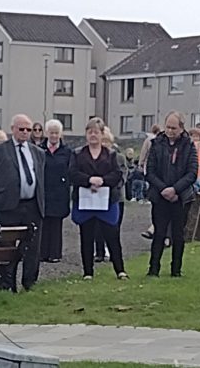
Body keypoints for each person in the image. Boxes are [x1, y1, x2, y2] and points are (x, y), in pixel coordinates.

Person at [0, 114, 45, 291]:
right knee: (7, 246)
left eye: (28, 129)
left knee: (33, 247)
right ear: (13, 129)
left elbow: (40, 178)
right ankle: (5, 284)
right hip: (9, 206)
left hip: (32, 205)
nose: (25, 132)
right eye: (22, 129)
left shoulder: (38, 152)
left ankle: (30, 283)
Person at [69, 118, 127, 280]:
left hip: (107, 200)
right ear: (86, 135)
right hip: (85, 199)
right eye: (90, 132)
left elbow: (117, 174)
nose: (93, 135)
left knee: (112, 235)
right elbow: (72, 173)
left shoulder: (111, 154)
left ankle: (120, 270)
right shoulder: (77, 154)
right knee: (86, 236)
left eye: (96, 132)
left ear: (102, 135)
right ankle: (88, 272)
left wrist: (102, 181)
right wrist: (89, 180)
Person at [146, 111, 197, 277]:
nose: (170, 131)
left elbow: (192, 172)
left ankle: (176, 270)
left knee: (178, 235)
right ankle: (153, 269)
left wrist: (175, 189)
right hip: (160, 196)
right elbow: (150, 171)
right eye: (168, 127)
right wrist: (163, 189)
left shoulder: (189, 145)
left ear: (181, 128)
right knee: (159, 233)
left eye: (174, 128)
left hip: (180, 197)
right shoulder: (157, 144)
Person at [39, 120, 71, 263]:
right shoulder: (39, 150)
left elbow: (70, 171)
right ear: (46, 133)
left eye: (56, 133)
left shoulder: (67, 152)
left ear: (60, 134)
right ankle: (42, 252)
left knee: (56, 224)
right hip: (44, 191)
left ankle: (55, 253)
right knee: (43, 223)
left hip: (59, 192)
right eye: (51, 132)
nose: (54, 136)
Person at [94, 128, 128, 264]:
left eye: (106, 142)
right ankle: (99, 252)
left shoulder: (119, 157)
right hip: (99, 196)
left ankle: (114, 253)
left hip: (115, 197)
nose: (104, 145)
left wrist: (112, 185)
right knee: (97, 226)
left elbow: (123, 176)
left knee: (114, 226)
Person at [139, 124, 162, 240]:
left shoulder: (149, 140)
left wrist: (141, 163)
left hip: (149, 170)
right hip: (152, 171)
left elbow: (143, 153)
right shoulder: (153, 140)